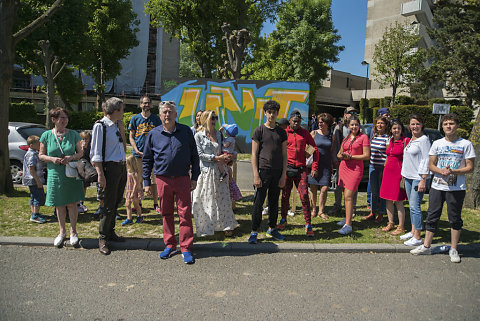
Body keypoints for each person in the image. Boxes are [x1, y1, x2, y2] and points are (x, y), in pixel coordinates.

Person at [411, 114, 475, 263]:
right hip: (437, 186)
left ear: (457, 126)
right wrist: (441, 171)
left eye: (451, 123)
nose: (448, 126)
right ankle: (426, 246)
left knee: (455, 218)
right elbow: (431, 164)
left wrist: (454, 172)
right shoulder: (437, 143)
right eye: (445, 124)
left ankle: (453, 249)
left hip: (456, 188)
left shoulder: (465, 144)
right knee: (432, 216)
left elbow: (470, 167)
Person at [143, 101, 200, 264]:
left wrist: (195, 177)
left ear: (176, 115)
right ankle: (170, 245)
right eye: (164, 112)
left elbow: (195, 156)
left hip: (182, 178)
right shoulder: (153, 134)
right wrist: (146, 181)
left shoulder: (186, 132)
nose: (167, 115)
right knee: (166, 213)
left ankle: (186, 247)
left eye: (170, 112)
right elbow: (147, 159)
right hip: (162, 179)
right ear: (160, 115)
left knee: (185, 214)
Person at [39, 108, 84, 247]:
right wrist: (52, 159)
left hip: (71, 173)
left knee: (72, 204)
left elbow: (81, 152)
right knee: (59, 205)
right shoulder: (46, 135)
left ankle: (73, 232)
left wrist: (71, 157)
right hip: (55, 174)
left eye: (66, 118)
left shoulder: (74, 134)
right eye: (61, 118)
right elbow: (41, 155)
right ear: (53, 120)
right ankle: (62, 232)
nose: (64, 120)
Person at [192, 110, 239, 237]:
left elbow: (224, 149)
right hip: (206, 172)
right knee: (206, 200)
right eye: (212, 118)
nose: (214, 121)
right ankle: (207, 226)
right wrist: (215, 158)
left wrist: (228, 157)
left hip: (220, 171)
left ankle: (227, 225)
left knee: (222, 199)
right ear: (205, 119)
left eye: (215, 118)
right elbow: (200, 154)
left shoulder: (219, 134)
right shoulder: (198, 136)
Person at [90, 97, 127, 255]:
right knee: (107, 204)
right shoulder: (101, 126)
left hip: (120, 167)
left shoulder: (116, 126)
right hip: (109, 169)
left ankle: (111, 232)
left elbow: (122, 146)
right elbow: (96, 153)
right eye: (122, 109)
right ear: (116, 110)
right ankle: (103, 237)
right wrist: (101, 175)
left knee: (116, 202)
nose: (124, 112)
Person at [249, 100, 287, 243]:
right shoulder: (259, 130)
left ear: (277, 114)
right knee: (258, 203)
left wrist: (283, 175)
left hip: (277, 172)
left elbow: (284, 155)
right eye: (269, 112)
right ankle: (254, 231)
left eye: (274, 112)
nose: (272, 115)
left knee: (273, 203)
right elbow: (254, 154)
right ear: (265, 113)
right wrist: (256, 175)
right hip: (263, 171)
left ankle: (272, 228)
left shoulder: (281, 133)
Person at [278, 110, 319, 237]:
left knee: (304, 195)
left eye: (298, 121)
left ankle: (308, 224)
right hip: (287, 168)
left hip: (301, 169)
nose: (296, 123)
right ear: (289, 121)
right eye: (294, 120)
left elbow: (314, 149)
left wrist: (314, 167)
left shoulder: (305, 133)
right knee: (285, 195)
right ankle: (283, 219)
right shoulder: (284, 133)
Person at [336, 116, 370, 235]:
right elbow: (339, 153)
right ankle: (347, 217)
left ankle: (348, 225)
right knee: (345, 196)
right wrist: (342, 156)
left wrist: (351, 157)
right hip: (344, 167)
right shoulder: (346, 138)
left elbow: (366, 155)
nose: (354, 127)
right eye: (352, 125)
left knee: (349, 195)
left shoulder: (364, 137)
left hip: (355, 169)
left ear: (359, 126)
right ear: (348, 126)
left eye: (356, 124)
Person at [400, 114, 431, 246]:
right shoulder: (411, 139)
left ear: (422, 125)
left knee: (414, 206)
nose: (415, 126)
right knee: (412, 207)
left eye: (417, 124)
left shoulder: (424, 140)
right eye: (412, 124)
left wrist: (423, 179)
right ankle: (413, 231)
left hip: (418, 178)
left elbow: (426, 159)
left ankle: (417, 237)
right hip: (408, 177)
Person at [128, 96, 162, 214]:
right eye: (144, 103)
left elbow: (160, 136)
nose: (146, 105)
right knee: (138, 180)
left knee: (153, 180)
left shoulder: (156, 119)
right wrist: (136, 149)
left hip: (152, 155)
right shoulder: (135, 119)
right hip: (138, 155)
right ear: (140, 104)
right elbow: (131, 136)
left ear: (151, 105)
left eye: (148, 103)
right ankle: (139, 203)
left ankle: (156, 204)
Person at [329, 106, 361, 216]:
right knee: (339, 185)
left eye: (354, 113)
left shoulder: (359, 129)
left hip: (354, 162)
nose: (352, 114)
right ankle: (337, 206)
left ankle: (352, 208)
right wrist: (335, 159)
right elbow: (335, 144)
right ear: (344, 114)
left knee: (353, 187)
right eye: (349, 113)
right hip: (341, 162)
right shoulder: (339, 127)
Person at [379, 119, 409, 236]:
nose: (396, 130)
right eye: (394, 128)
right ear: (391, 129)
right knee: (387, 199)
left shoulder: (405, 141)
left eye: (398, 128)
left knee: (398, 200)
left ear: (402, 129)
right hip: (388, 172)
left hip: (398, 173)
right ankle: (390, 222)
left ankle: (401, 226)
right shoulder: (390, 140)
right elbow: (388, 156)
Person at [363, 115, 390, 222]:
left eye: (382, 123)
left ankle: (381, 213)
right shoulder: (374, 136)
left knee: (382, 192)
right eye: (378, 123)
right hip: (372, 166)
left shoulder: (387, 138)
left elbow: (388, 154)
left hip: (382, 167)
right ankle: (373, 211)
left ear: (386, 125)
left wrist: (384, 169)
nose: (379, 125)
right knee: (374, 191)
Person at [308, 113, 334, 221]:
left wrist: (333, 164)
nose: (320, 123)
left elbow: (331, 151)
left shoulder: (331, 135)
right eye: (319, 122)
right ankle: (314, 210)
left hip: (326, 165)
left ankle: (321, 211)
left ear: (328, 124)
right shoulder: (313, 133)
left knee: (324, 188)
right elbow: (308, 149)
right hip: (315, 164)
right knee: (313, 187)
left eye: (322, 122)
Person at [22, 135, 46, 223]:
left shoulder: (35, 153)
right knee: (38, 197)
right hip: (34, 180)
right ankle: (35, 215)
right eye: (38, 144)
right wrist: (38, 181)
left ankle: (34, 213)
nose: (40, 145)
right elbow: (31, 169)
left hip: (34, 180)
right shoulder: (31, 154)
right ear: (31, 145)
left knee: (33, 196)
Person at [121, 155, 144, 226]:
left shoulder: (134, 173)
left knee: (136, 205)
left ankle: (139, 216)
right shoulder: (128, 172)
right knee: (127, 204)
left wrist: (133, 192)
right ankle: (129, 218)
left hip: (134, 191)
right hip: (128, 190)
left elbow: (136, 183)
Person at [78, 131, 92, 214]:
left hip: (87, 167)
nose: (85, 140)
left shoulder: (91, 146)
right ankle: (78, 203)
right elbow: (79, 156)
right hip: (80, 166)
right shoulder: (78, 146)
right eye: (83, 138)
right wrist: (82, 148)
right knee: (79, 185)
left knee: (85, 186)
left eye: (86, 139)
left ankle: (81, 203)